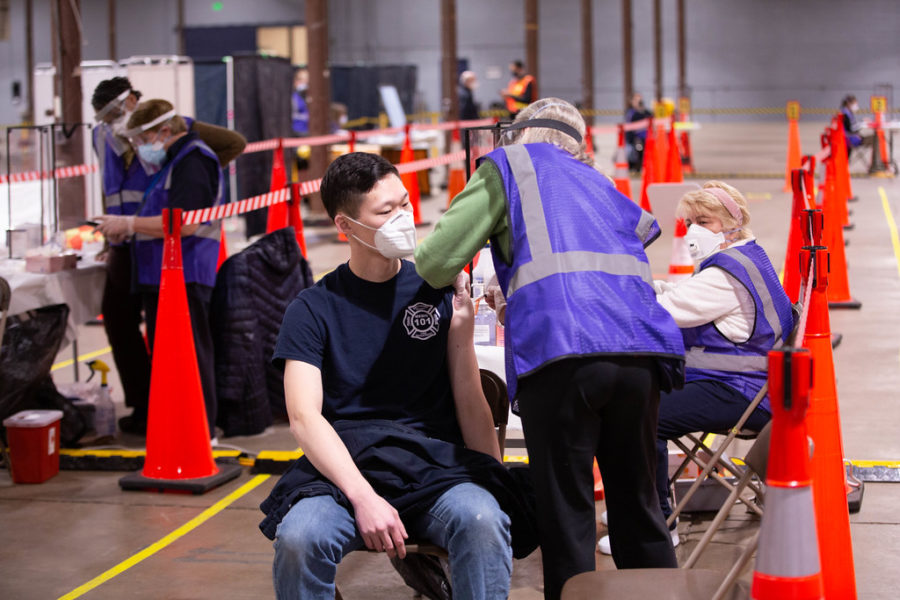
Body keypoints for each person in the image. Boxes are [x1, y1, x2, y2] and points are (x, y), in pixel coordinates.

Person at [414, 97, 685, 600]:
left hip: (565, 357)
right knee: (640, 507)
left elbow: (435, 261)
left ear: (521, 133)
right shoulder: (601, 183)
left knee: (568, 512)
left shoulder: (508, 166)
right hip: (641, 354)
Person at [259, 152, 536, 600]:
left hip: (432, 468)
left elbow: (469, 396)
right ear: (346, 226)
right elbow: (304, 417)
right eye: (386, 212)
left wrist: (492, 475)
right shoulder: (312, 308)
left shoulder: (437, 291)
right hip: (343, 472)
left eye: (405, 204)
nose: (403, 219)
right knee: (300, 538)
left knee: (483, 520)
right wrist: (363, 496)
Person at [597, 182, 795, 555]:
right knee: (637, 396)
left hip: (742, 391)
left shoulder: (724, 276)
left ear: (732, 222)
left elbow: (662, 312)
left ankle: (654, 526)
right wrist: (645, 285)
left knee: (640, 414)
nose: (693, 231)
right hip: (756, 385)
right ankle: (637, 506)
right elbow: (681, 294)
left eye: (704, 221)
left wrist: (606, 293)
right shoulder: (746, 256)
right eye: (689, 221)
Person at [89, 78, 245, 436]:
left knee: (186, 348)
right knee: (160, 344)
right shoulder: (160, 154)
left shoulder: (190, 156)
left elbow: (184, 221)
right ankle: (163, 416)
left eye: (142, 140)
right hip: (150, 255)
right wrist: (120, 228)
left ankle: (197, 426)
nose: (138, 146)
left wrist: (129, 223)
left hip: (180, 261)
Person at [625, 92, 652, 172]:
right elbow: (629, 127)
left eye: (640, 100)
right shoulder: (631, 113)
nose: (638, 102)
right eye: (636, 100)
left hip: (646, 139)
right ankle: (634, 168)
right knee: (632, 153)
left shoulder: (646, 112)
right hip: (634, 139)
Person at [292, 68, 310, 136]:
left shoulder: (312, 97)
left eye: (306, 80)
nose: (304, 82)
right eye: (301, 80)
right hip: (297, 134)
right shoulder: (293, 98)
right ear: (295, 82)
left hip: (310, 133)